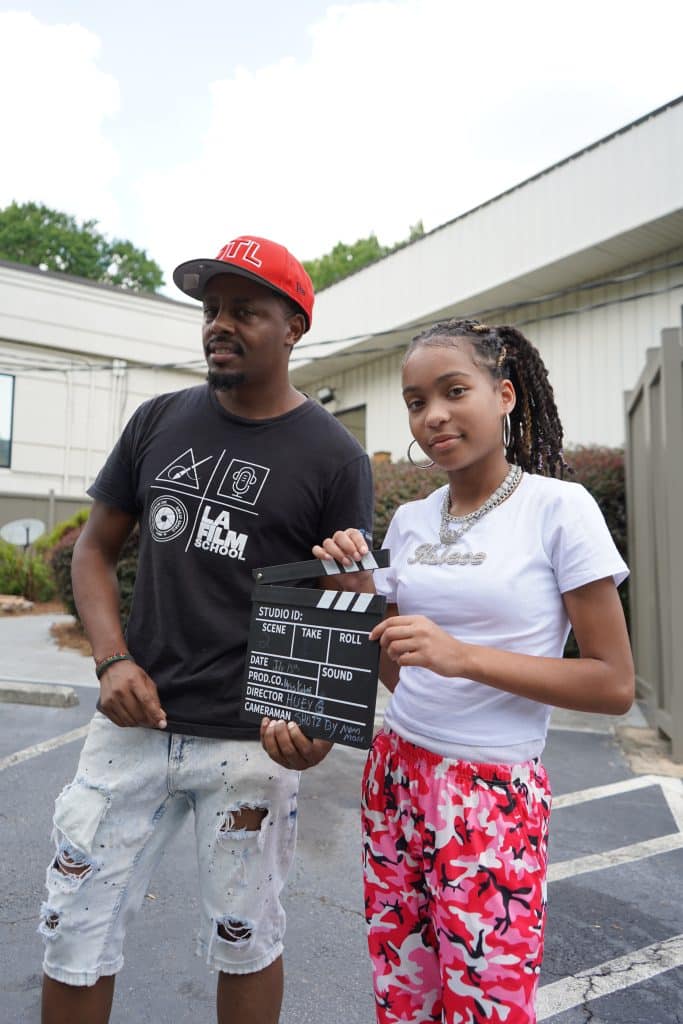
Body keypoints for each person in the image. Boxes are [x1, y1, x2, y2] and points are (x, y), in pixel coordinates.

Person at [39, 235, 374, 1024]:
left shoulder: (334, 458)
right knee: (71, 928)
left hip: (251, 740)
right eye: (211, 310)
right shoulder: (158, 420)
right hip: (132, 723)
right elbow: (94, 547)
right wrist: (110, 659)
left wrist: (319, 721)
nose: (219, 325)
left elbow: (343, 598)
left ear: (293, 326)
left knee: (245, 936)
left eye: (244, 311)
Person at [266, 318, 634, 1024]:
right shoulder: (408, 520)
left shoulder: (559, 510)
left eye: (452, 391)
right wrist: (358, 595)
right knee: (405, 996)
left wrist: (461, 656)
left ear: (503, 395)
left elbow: (612, 684)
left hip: (491, 794)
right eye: (414, 401)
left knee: (486, 1004)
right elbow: (403, 673)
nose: (431, 415)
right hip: (397, 773)